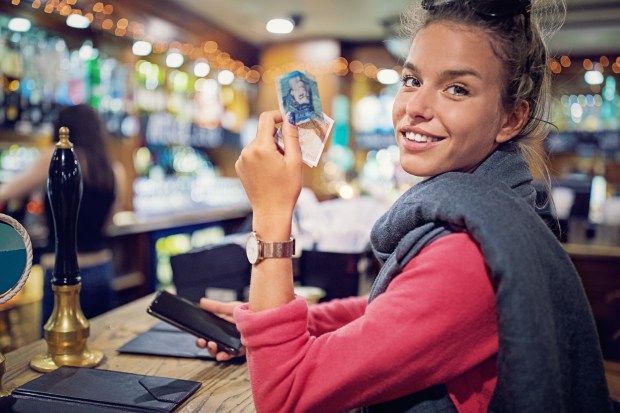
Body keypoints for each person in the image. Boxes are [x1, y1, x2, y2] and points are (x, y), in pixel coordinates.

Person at [197, 0, 613, 412]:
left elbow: (284, 394)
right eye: (412, 80)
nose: (414, 108)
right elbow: (402, 311)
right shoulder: (498, 208)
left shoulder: (468, 254)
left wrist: (271, 213)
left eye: (456, 89)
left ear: (511, 119)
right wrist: (284, 324)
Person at [0, 104, 128, 325]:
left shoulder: (56, 156)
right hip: (102, 268)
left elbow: (7, 191)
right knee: (100, 344)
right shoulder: (115, 170)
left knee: (56, 352)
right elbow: (109, 222)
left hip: (61, 272)